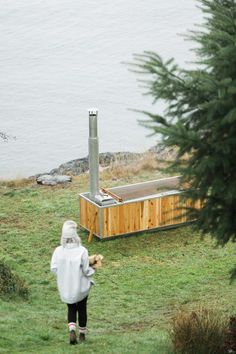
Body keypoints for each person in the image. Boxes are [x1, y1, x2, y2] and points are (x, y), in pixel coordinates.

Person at [50, 220, 95, 345]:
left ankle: (71, 330)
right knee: (82, 308)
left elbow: (54, 268)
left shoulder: (58, 251)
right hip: (80, 285)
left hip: (66, 286)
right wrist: (93, 269)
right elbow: (86, 270)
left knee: (70, 307)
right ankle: (82, 334)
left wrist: (63, 274)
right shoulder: (82, 250)